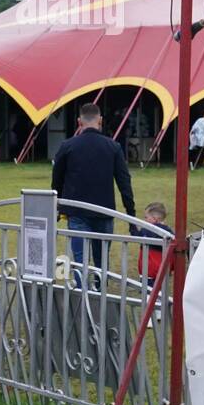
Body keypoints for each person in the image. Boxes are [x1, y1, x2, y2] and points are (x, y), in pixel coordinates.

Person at [51, 102, 136, 275]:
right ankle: (100, 292)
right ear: (101, 121)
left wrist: (57, 206)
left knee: (80, 262)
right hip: (104, 212)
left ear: (78, 122)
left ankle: (83, 296)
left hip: (77, 212)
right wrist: (131, 215)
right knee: (101, 262)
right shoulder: (113, 147)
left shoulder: (67, 146)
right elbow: (124, 182)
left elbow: (56, 180)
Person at [129, 202, 174, 285]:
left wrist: (132, 225)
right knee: (160, 294)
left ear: (154, 219)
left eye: (146, 217)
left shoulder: (147, 231)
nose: (144, 220)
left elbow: (136, 236)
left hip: (149, 271)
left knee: (148, 294)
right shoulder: (169, 232)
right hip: (164, 271)